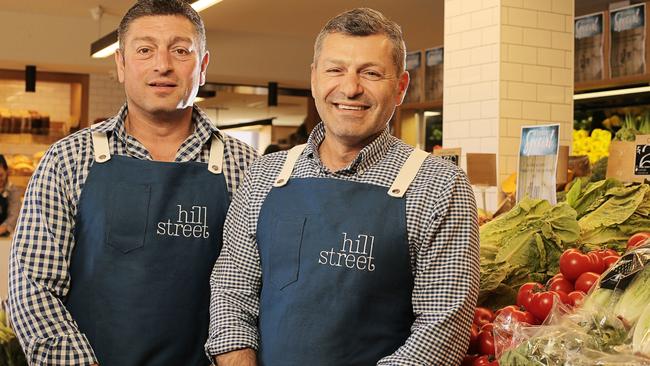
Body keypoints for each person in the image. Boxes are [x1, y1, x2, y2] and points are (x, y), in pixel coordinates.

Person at [206, 7, 480, 366]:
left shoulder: (440, 185)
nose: (350, 88)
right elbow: (232, 293)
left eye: (371, 73)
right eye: (335, 70)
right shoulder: (264, 176)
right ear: (315, 79)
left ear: (400, 87)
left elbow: (442, 327)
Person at [8, 1, 257, 365]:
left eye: (181, 50)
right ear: (121, 64)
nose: (162, 65)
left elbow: (254, 291)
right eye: (145, 50)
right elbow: (32, 287)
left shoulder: (249, 168)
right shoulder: (67, 160)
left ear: (202, 67)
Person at [0, 155, 20, 236]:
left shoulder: (13, 191)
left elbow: (14, 216)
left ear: (7, 172)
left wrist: (3, 228)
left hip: (6, 239)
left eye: (0, 175)